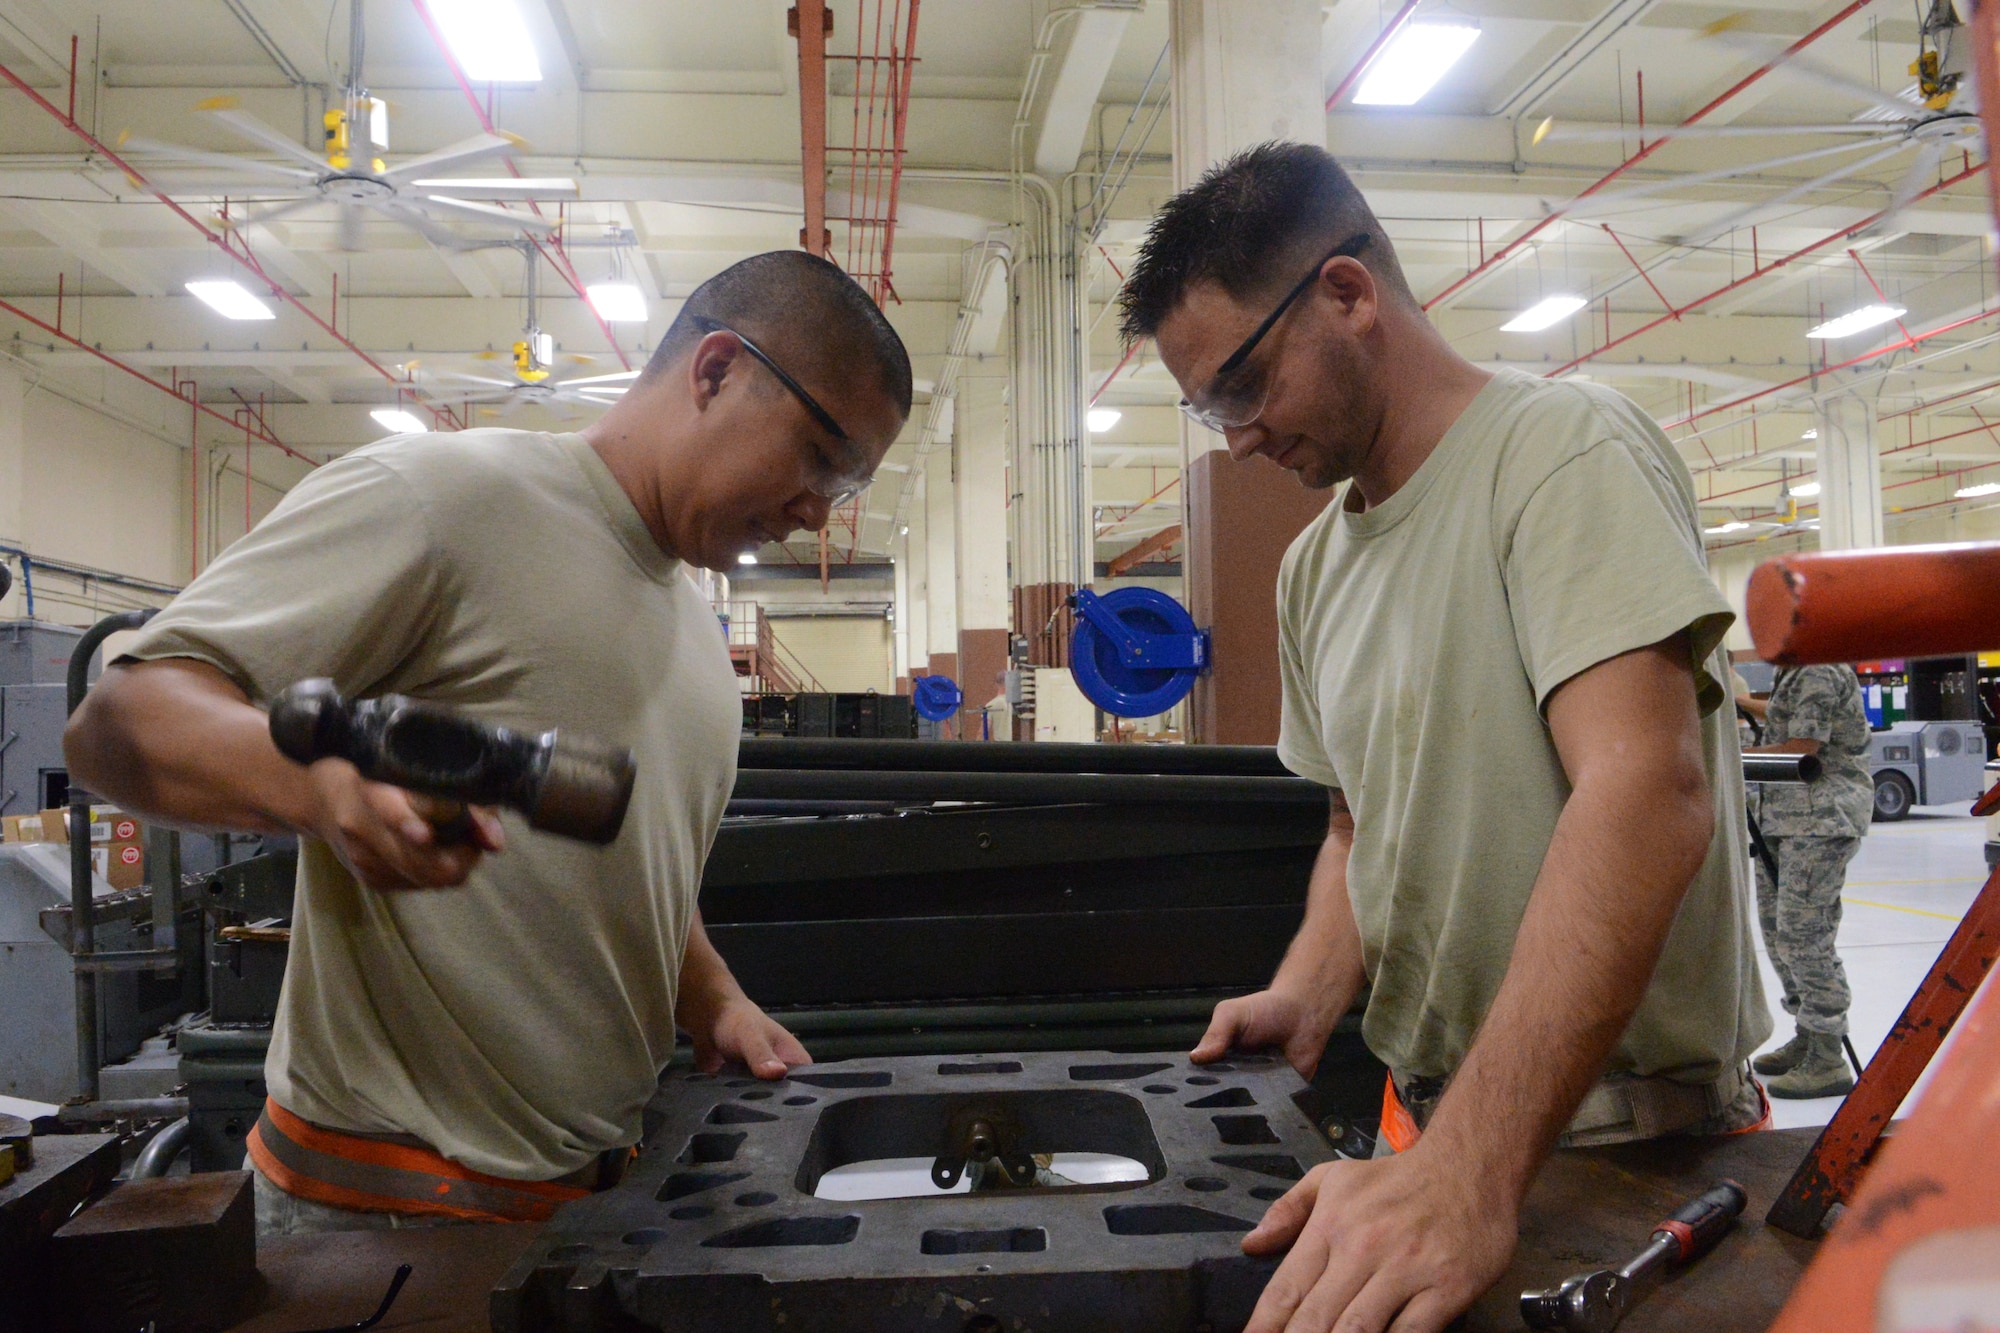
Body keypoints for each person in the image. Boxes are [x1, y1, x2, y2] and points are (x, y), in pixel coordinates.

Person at [64, 251, 911, 1233]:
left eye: (842, 489)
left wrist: (709, 992)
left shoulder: (688, 629)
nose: (815, 514)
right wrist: (317, 789)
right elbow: (119, 721)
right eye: (818, 456)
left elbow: (628, 869)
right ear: (715, 369)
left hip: (590, 1206)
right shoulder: (445, 497)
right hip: (382, 1218)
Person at [1118, 142, 1769, 1333]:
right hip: (1429, 1123)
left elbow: (1644, 793)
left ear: (1347, 295)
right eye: (1209, 410)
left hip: (1625, 1140)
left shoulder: (1558, 456)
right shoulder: (1314, 566)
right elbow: (1356, 821)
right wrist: (1308, 988)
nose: (1239, 439)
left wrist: (1468, 1175)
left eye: (1241, 389)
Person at [1739, 664, 1872, 1098]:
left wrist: (1725, 756)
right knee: (1778, 931)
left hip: (1820, 818)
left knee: (1803, 935)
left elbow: (1801, 748)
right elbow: (1792, 718)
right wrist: (1740, 704)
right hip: (1786, 817)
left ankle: (1828, 1055)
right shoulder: (1795, 670)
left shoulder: (1817, 668)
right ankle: (1807, 1032)